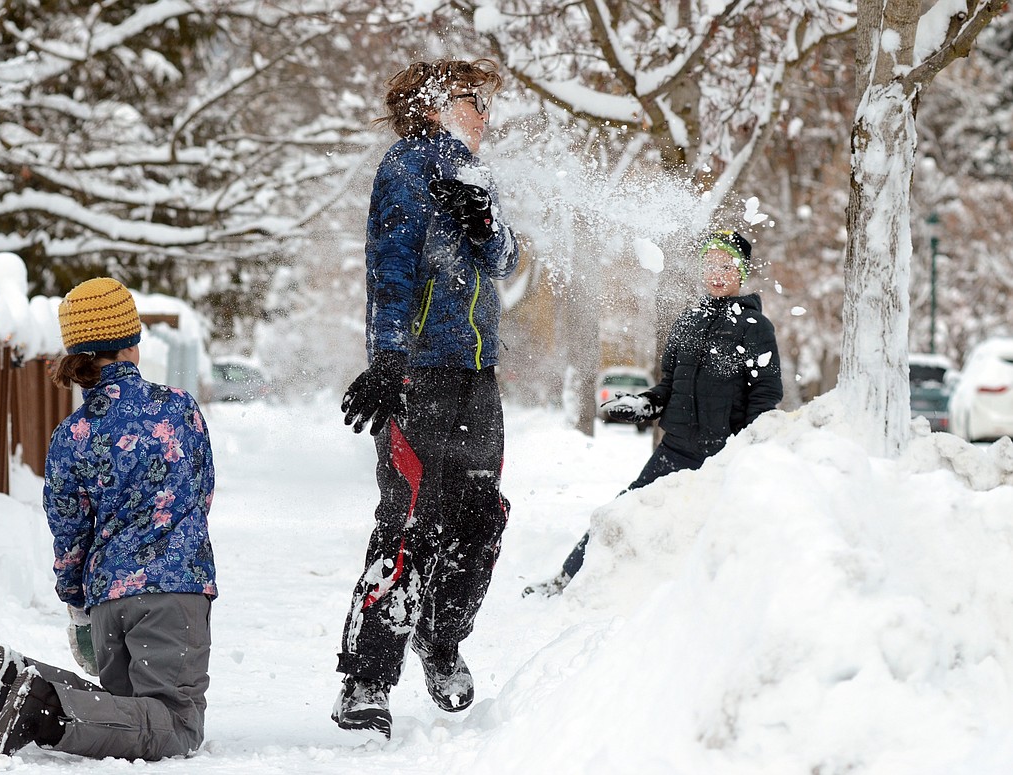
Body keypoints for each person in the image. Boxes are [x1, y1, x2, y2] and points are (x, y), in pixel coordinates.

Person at [334, 58, 519, 738]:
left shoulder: (478, 175)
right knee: (411, 522)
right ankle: (366, 678)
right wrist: (386, 358)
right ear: (439, 102)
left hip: (478, 373)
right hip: (420, 374)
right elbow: (390, 268)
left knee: (481, 515)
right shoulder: (406, 167)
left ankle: (442, 642)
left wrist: (487, 226)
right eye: (475, 100)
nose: (485, 114)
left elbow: (507, 259)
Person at [0, 277, 217, 761]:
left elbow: (69, 532)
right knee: (176, 725)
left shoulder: (71, 434)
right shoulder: (179, 409)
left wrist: (78, 608)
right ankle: (43, 709)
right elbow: (201, 494)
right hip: (173, 592)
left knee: (126, 712)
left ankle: (22, 682)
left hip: (105, 604)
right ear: (132, 344)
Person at [523, 230, 783, 597]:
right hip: (674, 451)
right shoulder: (688, 322)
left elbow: (766, 396)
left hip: (722, 460)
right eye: (709, 265)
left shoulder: (755, 327)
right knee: (620, 513)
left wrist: (745, 453)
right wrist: (645, 403)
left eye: (726, 266)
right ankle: (568, 578)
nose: (716, 273)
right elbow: (669, 385)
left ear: (741, 271)